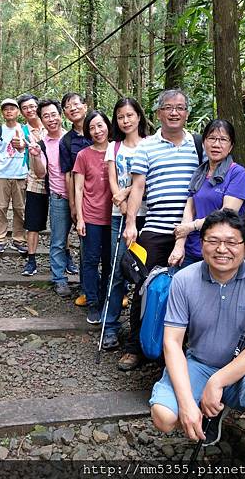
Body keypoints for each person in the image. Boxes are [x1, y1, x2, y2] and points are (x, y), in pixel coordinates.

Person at [150, 209, 245, 471]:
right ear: (201, 245)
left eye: (232, 242)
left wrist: (218, 381)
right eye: (213, 241)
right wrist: (188, 403)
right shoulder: (183, 280)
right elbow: (172, 343)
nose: (222, 249)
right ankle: (206, 408)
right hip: (199, 362)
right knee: (164, 416)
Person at [120, 89, 201, 371]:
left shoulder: (199, 145)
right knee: (143, 286)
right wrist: (131, 223)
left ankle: (181, 351)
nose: (174, 112)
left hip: (191, 232)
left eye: (180, 107)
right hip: (154, 229)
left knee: (190, 291)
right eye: (168, 107)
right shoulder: (146, 147)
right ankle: (135, 347)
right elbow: (138, 187)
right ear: (158, 113)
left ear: (187, 112)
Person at [169, 119, 245, 269]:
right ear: (204, 142)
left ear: (231, 146)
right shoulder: (200, 172)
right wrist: (179, 246)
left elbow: (227, 213)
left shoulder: (237, 173)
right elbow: (189, 209)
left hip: (221, 250)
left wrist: (192, 226)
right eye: (211, 138)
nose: (216, 144)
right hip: (193, 248)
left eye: (223, 140)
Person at [101, 97, 148, 350]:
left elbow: (148, 179)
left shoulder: (151, 145)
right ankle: (110, 326)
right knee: (116, 271)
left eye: (130, 115)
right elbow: (111, 180)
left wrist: (126, 193)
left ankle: (142, 331)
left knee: (143, 273)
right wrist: (120, 203)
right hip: (118, 216)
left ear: (139, 117)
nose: (125, 120)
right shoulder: (114, 147)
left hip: (147, 215)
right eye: (120, 117)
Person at [73, 110, 112, 325]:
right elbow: (78, 188)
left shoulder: (117, 150)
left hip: (114, 218)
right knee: (90, 260)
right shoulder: (83, 155)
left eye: (100, 125)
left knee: (109, 261)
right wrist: (80, 218)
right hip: (91, 217)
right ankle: (92, 302)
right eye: (92, 127)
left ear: (107, 125)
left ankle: (107, 299)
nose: (97, 131)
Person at [37, 98, 73, 297]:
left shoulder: (73, 138)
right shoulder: (42, 144)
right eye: (45, 116)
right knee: (58, 240)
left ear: (60, 115)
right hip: (58, 197)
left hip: (82, 198)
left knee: (88, 242)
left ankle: (87, 281)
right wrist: (34, 154)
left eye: (53, 114)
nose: (50, 119)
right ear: (41, 120)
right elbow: (41, 172)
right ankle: (59, 278)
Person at [59, 92, 92, 305]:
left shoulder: (100, 129)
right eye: (68, 106)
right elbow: (68, 175)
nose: (73, 108)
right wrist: (73, 205)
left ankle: (117, 289)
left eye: (76, 104)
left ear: (85, 106)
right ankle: (87, 289)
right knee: (86, 246)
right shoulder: (66, 141)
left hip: (107, 198)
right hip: (83, 200)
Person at [0, 98, 28, 255]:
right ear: (2, 113)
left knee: (20, 209)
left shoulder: (25, 129)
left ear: (18, 112)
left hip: (21, 175)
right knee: (0, 208)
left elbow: (31, 151)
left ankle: (19, 239)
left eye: (12, 108)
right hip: (2, 175)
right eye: (6, 109)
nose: (9, 111)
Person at [15, 94, 47, 276]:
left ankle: (66, 257)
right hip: (35, 180)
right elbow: (19, 144)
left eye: (32, 106)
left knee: (62, 222)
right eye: (25, 107)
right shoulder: (22, 131)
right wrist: (20, 145)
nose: (30, 110)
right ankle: (31, 260)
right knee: (33, 222)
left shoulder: (51, 123)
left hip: (57, 180)